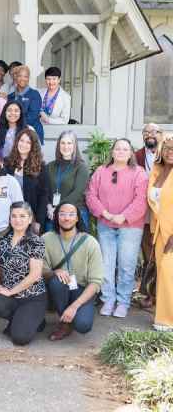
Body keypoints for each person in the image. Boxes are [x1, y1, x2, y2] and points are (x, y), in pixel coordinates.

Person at [86, 138, 148, 318]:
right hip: (105, 224)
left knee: (126, 266)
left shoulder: (139, 173)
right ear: (112, 152)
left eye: (125, 149)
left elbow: (141, 200)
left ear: (130, 153)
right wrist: (105, 213)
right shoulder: (101, 171)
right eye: (118, 149)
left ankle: (123, 301)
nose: (121, 152)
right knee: (106, 264)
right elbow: (91, 195)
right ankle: (108, 299)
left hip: (130, 226)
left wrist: (123, 216)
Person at [0, 202, 47, 346]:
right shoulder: (3, 240)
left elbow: (35, 275)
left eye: (22, 216)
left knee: (19, 338)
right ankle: (21, 319)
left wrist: (10, 292)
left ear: (30, 219)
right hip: (11, 296)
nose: (17, 220)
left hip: (32, 297)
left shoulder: (36, 242)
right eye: (14, 216)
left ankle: (36, 320)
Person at [42, 203, 103, 340]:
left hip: (81, 290)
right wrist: (54, 272)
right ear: (56, 217)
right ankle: (64, 323)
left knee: (83, 325)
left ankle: (73, 313)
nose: (66, 218)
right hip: (58, 289)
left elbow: (95, 282)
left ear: (77, 218)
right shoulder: (46, 238)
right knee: (56, 282)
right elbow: (40, 269)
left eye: (71, 214)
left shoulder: (90, 242)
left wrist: (74, 307)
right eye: (62, 214)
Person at [147, 134, 173, 331]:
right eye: (167, 148)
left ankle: (168, 320)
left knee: (168, 273)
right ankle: (163, 318)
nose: (170, 152)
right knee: (163, 275)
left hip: (172, 232)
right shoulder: (156, 171)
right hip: (158, 232)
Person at [136, 123, 163, 307]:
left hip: (164, 214)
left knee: (163, 255)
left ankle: (162, 294)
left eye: (153, 131)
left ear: (161, 134)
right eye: (145, 132)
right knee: (148, 255)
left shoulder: (168, 154)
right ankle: (150, 293)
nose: (149, 135)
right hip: (144, 215)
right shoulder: (137, 156)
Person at [4, 128, 48, 233]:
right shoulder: (7, 163)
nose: (24, 144)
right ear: (17, 142)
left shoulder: (40, 167)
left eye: (28, 142)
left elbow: (44, 195)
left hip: (30, 218)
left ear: (33, 146)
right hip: (8, 217)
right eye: (22, 140)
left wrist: (39, 221)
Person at [46, 130, 90, 230]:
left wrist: (58, 208)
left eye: (69, 143)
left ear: (75, 146)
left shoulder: (81, 167)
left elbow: (77, 192)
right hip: (52, 213)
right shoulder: (49, 166)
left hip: (74, 213)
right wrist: (49, 206)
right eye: (63, 143)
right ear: (58, 145)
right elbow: (45, 190)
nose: (66, 146)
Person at [7, 65, 44, 144]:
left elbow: (32, 117)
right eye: (20, 76)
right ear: (15, 77)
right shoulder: (10, 96)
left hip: (32, 133)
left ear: (28, 78)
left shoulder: (34, 94)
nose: (22, 79)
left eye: (25, 76)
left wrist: (15, 125)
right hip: (14, 134)